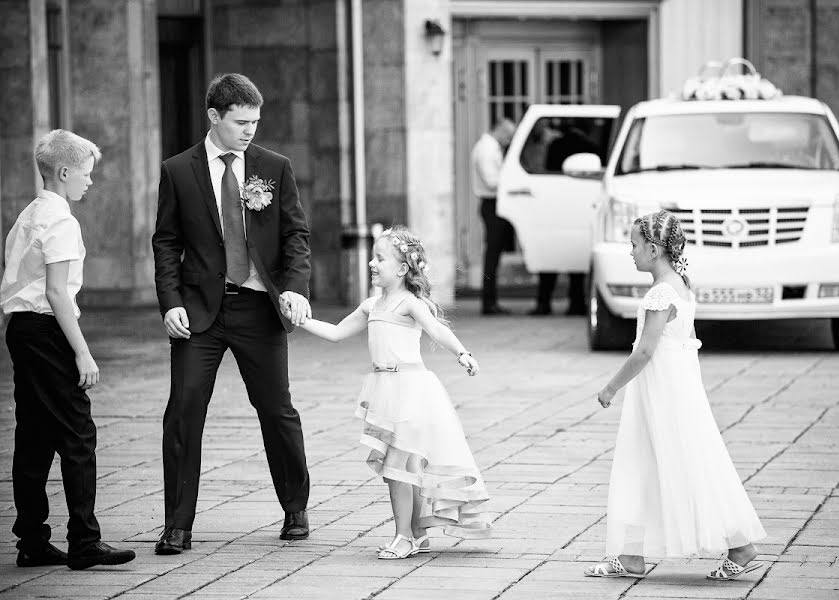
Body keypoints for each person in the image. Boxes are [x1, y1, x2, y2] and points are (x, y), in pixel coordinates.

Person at [151, 73, 314, 555]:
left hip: (259, 309)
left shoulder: (274, 166)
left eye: (255, 122)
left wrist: (295, 289)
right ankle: (177, 524)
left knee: (277, 410)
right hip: (198, 312)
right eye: (241, 122)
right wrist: (170, 301)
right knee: (183, 412)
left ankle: (295, 509)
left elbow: (295, 236)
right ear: (214, 117)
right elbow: (166, 242)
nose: (250, 131)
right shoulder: (178, 170)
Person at [585, 210, 766, 581]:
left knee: (674, 463)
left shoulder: (661, 293)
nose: (629, 252)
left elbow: (646, 351)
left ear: (653, 249)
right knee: (662, 462)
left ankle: (740, 543)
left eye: (633, 245)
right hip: (674, 388)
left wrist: (610, 387)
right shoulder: (681, 284)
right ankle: (633, 555)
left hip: (661, 392)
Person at [298, 226, 493, 559]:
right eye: (373, 257)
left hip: (412, 390)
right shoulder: (371, 306)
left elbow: (436, 330)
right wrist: (301, 320)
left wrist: (462, 353)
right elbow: (335, 333)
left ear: (403, 269)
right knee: (406, 467)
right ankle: (416, 534)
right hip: (385, 389)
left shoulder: (409, 303)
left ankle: (403, 535)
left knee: (397, 468)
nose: (373, 264)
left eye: (380, 258)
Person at [1, 129, 136, 570]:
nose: (89, 182)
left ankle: (32, 540)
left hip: (22, 331)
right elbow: (58, 293)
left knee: (35, 436)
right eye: (85, 173)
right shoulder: (60, 219)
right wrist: (82, 352)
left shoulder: (27, 215)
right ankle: (84, 541)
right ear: (63, 172)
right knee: (79, 435)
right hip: (46, 332)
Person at [530, 119, 605, 316]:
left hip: (555, 204)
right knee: (576, 257)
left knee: (549, 255)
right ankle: (576, 303)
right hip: (580, 206)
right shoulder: (592, 147)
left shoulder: (556, 145)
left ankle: (543, 302)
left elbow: (546, 171)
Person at [471, 119, 517, 315]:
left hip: (494, 203)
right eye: (507, 135)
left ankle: (491, 300)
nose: (508, 140)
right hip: (491, 204)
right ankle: (488, 302)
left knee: (494, 255)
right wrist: (514, 181)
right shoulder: (487, 150)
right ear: (498, 129)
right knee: (492, 255)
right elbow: (491, 181)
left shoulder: (491, 147)